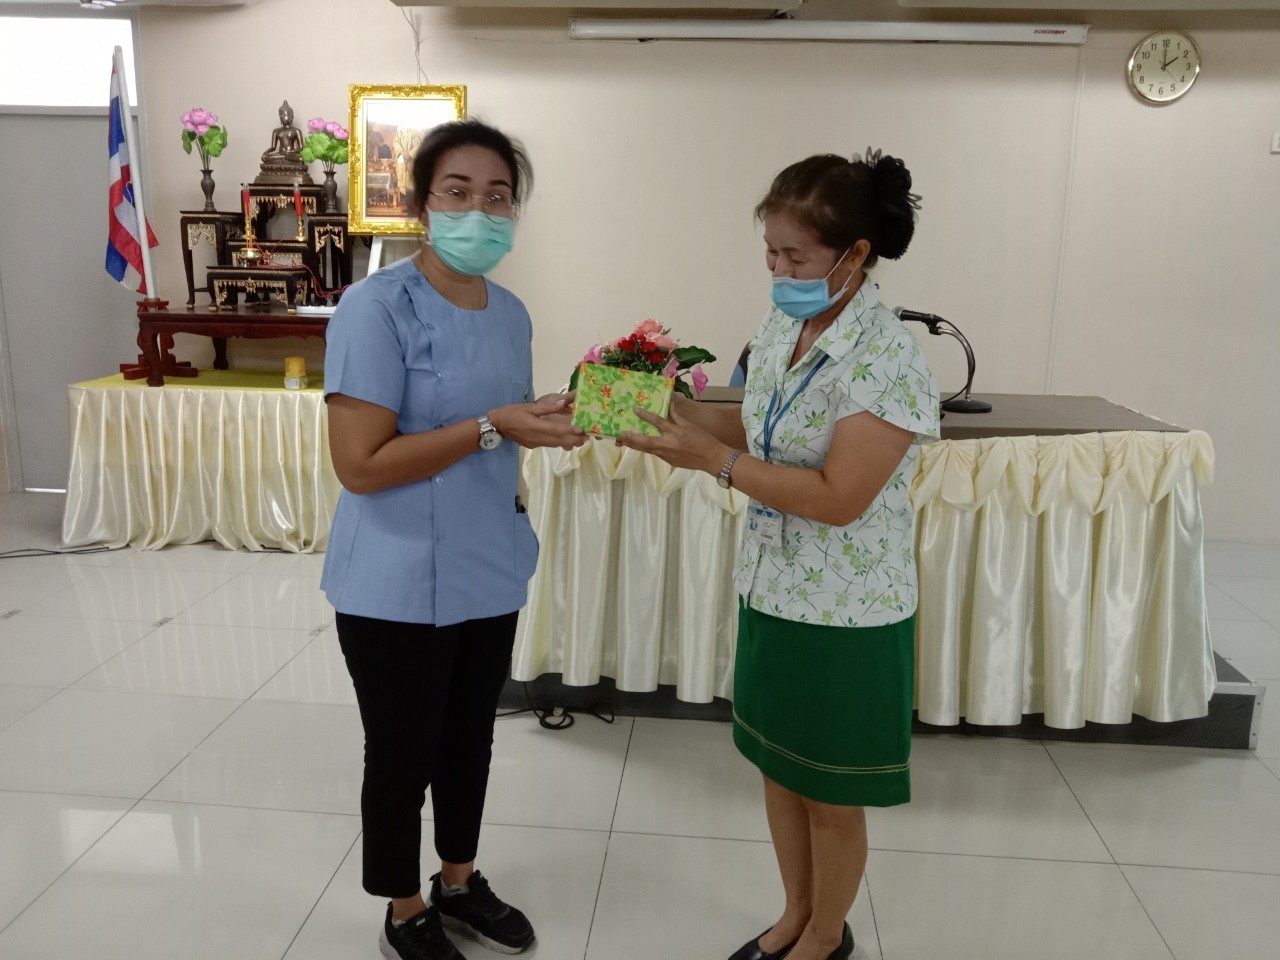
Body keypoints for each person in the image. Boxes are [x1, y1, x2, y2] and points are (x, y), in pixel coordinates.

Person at [618, 150, 939, 960]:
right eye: (770, 253)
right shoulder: (785, 326)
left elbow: (838, 496)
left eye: (796, 257)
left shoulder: (888, 359)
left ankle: (826, 937)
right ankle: (795, 912)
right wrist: (663, 418)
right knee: (780, 769)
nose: (778, 272)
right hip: (772, 586)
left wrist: (713, 462)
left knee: (829, 792)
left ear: (855, 254)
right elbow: (759, 425)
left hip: (846, 613)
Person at [321, 119, 587, 960]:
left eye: (498, 196)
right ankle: (405, 909)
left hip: (486, 563)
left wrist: (548, 420)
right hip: (395, 577)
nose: (481, 211)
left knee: (470, 738)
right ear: (421, 206)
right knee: (403, 752)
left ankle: (460, 881)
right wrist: (492, 426)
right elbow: (360, 465)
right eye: (459, 192)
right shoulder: (374, 309)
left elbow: (503, 425)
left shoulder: (511, 314)